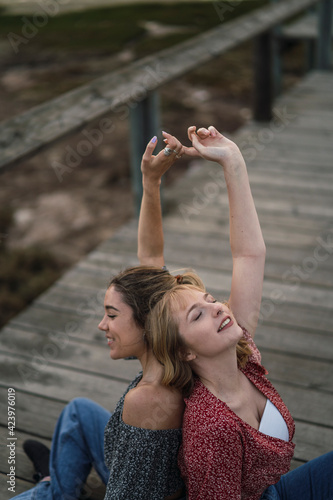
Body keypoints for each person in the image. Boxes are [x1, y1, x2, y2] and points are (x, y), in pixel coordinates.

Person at [145, 125, 333, 500]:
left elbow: (248, 254)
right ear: (185, 352)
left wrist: (232, 160)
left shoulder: (243, 353)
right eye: (197, 316)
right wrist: (150, 187)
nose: (216, 309)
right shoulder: (212, 429)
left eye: (211, 299)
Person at [13, 131, 189, 500]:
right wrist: (151, 182)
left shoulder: (149, 401)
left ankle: (51, 490)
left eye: (111, 314)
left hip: (140, 482)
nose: (101, 325)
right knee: (77, 411)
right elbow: (152, 257)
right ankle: (56, 485)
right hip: (139, 465)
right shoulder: (167, 345)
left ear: (147, 320)